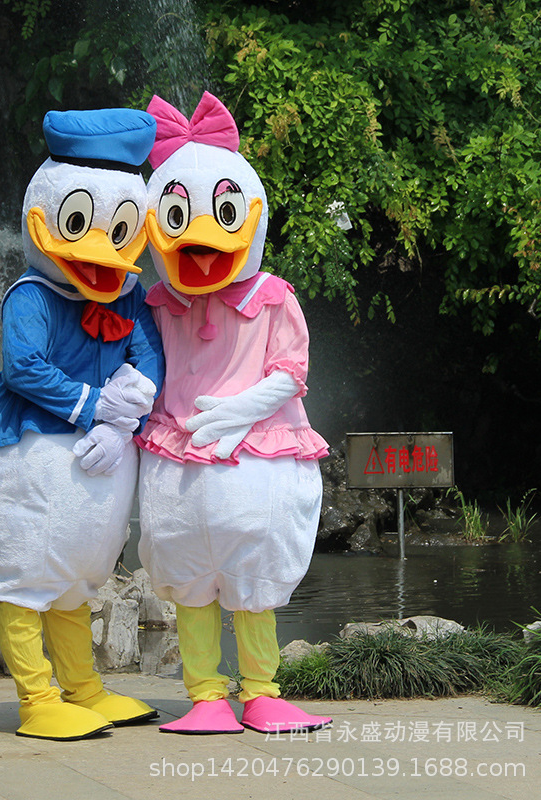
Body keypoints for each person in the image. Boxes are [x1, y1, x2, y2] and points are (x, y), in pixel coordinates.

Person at [0, 107, 165, 741]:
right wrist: (95, 406)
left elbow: (149, 355)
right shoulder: (32, 295)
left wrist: (125, 419)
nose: (99, 251)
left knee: (75, 581)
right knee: (24, 573)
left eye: (119, 230)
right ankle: (36, 697)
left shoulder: (127, 294)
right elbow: (24, 367)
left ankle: (85, 688)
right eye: (78, 223)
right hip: (26, 448)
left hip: (95, 464)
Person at [136, 92, 332, 734]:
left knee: (254, 580)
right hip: (178, 457)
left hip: (255, 453)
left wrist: (240, 411)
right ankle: (204, 695)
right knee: (189, 583)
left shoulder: (272, 296)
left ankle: (262, 691)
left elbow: (291, 371)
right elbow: (143, 367)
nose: (199, 243)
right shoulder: (158, 302)